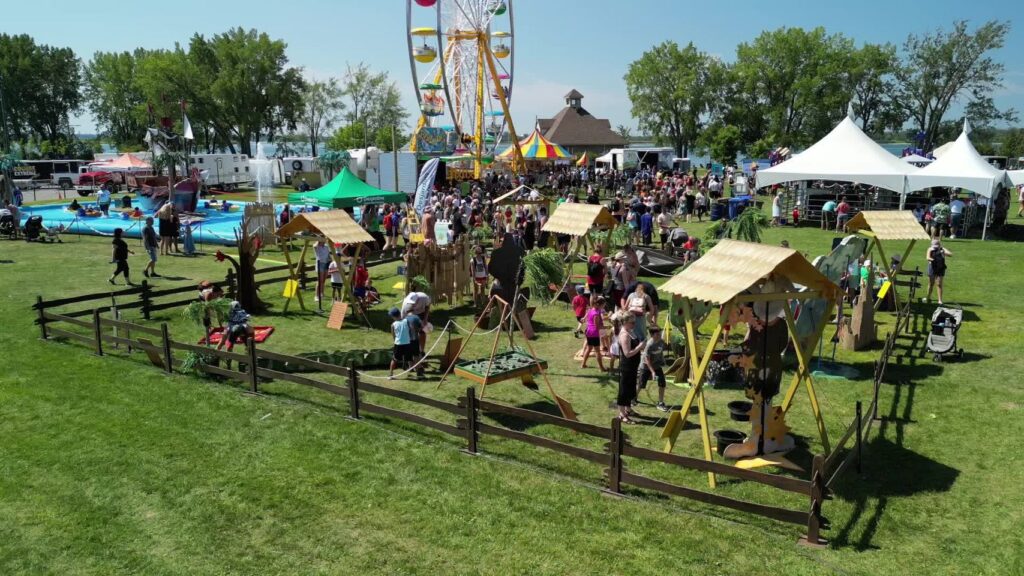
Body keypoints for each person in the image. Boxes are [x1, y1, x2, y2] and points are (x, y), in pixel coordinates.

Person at [616, 314, 645, 423]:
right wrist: (640, 347)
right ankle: (622, 414)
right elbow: (627, 353)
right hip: (626, 366)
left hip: (633, 365)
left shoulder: (630, 331)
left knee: (631, 388)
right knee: (624, 390)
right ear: (625, 322)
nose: (634, 324)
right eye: (632, 322)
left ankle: (628, 409)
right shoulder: (624, 335)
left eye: (634, 322)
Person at [638, 326, 668, 412]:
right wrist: (652, 372)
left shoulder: (661, 342)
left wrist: (662, 361)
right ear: (652, 335)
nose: (659, 335)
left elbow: (661, 351)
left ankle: (661, 403)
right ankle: (633, 399)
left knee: (662, 383)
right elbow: (647, 360)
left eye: (660, 333)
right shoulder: (649, 344)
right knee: (641, 385)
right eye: (657, 334)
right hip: (646, 367)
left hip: (657, 366)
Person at [581, 296, 607, 371]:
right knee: (597, 351)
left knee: (589, 348)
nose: (604, 306)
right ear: (599, 305)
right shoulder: (596, 313)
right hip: (593, 333)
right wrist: (605, 327)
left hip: (589, 331)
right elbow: (597, 326)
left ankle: (583, 364)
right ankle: (601, 368)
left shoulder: (591, 309)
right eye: (603, 305)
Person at [924, 238, 952, 305]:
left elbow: (950, 254)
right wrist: (934, 259)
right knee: (931, 283)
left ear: (939, 245)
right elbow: (927, 257)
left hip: (940, 268)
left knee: (939, 284)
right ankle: (928, 297)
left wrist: (943, 251)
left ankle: (940, 300)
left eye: (937, 246)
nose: (935, 248)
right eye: (934, 246)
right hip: (932, 267)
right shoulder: (930, 249)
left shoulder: (942, 249)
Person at [388, 307, 413, 379]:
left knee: (394, 359)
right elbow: (410, 330)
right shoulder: (406, 321)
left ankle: (391, 374)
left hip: (398, 343)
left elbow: (393, 335)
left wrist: (396, 341)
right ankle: (415, 371)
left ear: (393, 316)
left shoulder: (393, 324)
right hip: (407, 342)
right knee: (410, 358)